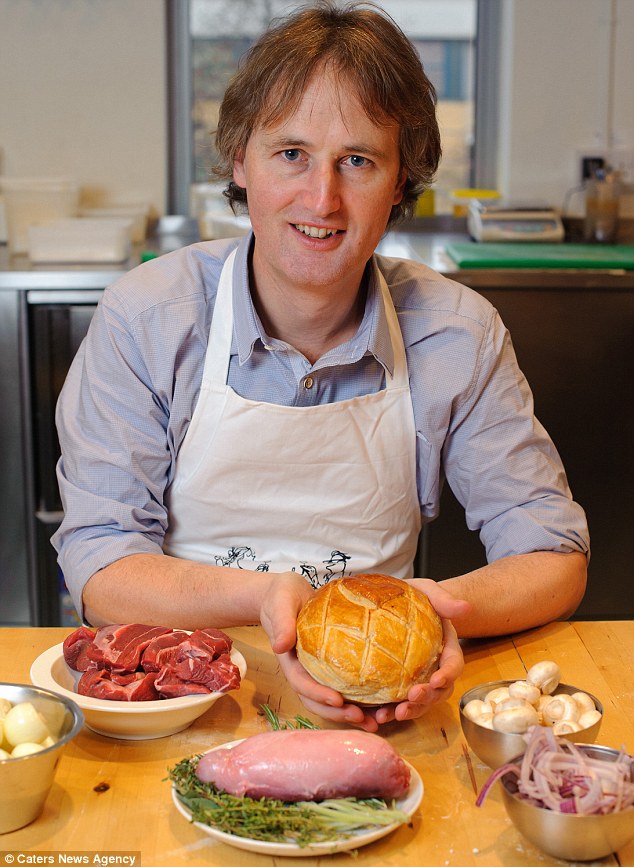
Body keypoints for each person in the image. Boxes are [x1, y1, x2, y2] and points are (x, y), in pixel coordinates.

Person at [53, 1, 589, 732]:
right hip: (184, 701)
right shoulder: (147, 319)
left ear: (400, 181)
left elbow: (552, 555)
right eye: (291, 154)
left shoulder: (456, 334)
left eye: (358, 161)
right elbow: (100, 564)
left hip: (380, 709)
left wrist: (432, 615)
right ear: (240, 160)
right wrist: (263, 598)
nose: (322, 198)